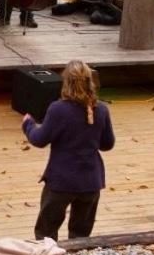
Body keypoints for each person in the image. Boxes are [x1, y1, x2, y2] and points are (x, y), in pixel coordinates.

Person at [21, 61, 116, 240]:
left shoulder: (58, 109)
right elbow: (107, 144)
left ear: (66, 82)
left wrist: (28, 125)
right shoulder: (101, 109)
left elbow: (39, 140)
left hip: (61, 181)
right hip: (91, 181)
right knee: (81, 235)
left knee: (46, 232)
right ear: (90, 82)